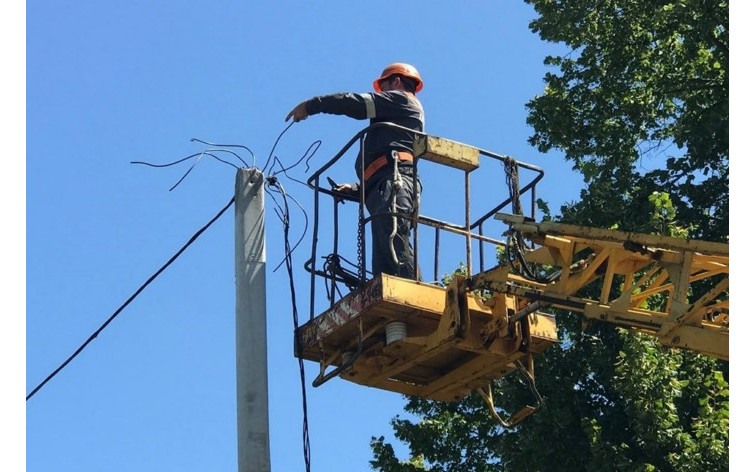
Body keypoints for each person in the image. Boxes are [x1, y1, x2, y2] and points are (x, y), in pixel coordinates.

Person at [285, 62, 424, 280]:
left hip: (395, 181)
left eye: (384, 87)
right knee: (388, 244)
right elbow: (384, 165)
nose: (382, 94)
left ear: (396, 81)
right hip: (387, 182)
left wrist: (312, 105)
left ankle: (410, 294)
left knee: (392, 242)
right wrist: (356, 189)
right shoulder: (397, 114)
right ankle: (400, 289)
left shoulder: (401, 100)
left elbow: (355, 104)